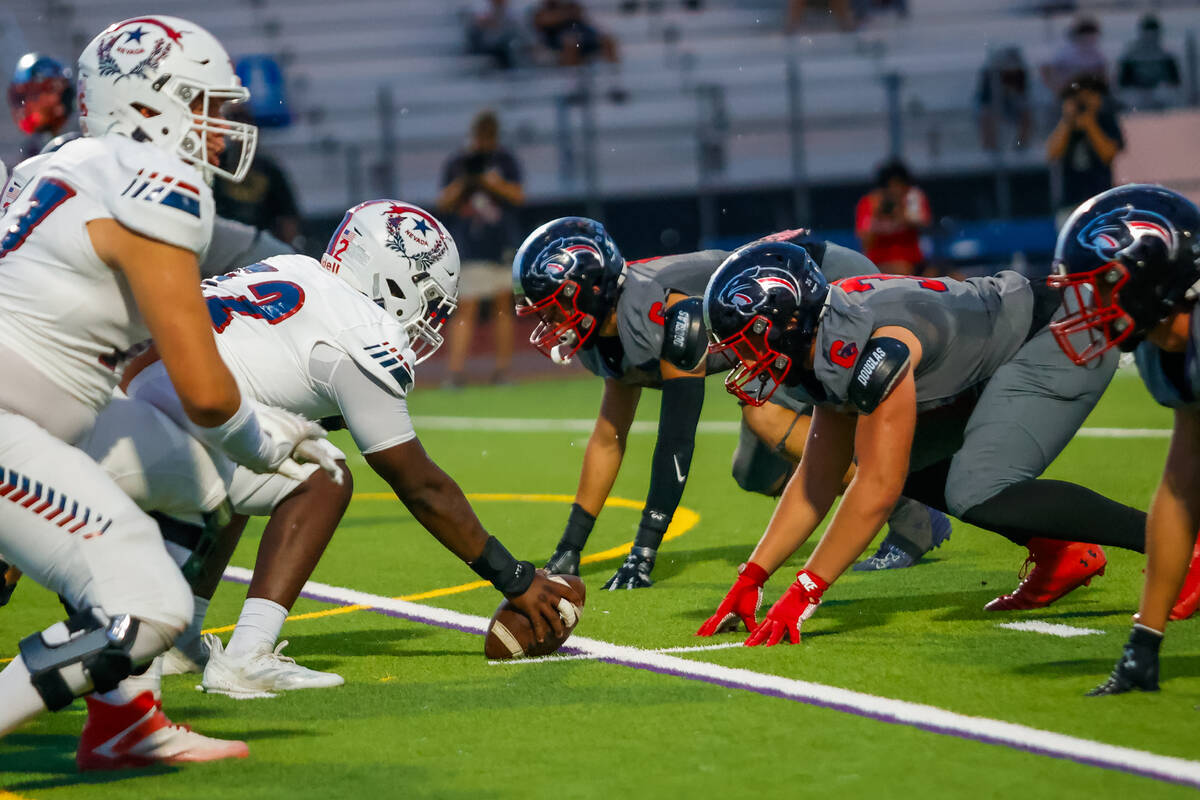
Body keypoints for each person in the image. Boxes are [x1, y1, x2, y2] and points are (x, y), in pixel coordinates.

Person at [69, 199, 576, 766]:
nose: (428, 317)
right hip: (150, 434)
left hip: (101, 412)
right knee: (321, 473)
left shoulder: (290, 270)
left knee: (257, 447)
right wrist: (514, 577)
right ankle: (247, 657)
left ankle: (183, 636)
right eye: (428, 296)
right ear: (390, 275)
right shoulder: (360, 327)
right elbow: (419, 484)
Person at [0, 14, 331, 760]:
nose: (222, 128)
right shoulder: (156, 182)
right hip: (12, 420)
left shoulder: (65, 161)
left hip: (52, 415)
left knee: (203, 488)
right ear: (150, 105)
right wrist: (265, 434)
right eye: (207, 106)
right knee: (152, 602)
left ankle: (126, 718)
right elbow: (206, 390)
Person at [694, 240, 1158, 645]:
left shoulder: (871, 344)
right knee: (886, 452)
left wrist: (805, 590)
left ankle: (1176, 543)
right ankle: (1061, 553)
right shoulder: (824, 340)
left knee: (976, 488)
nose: (741, 359)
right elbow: (818, 477)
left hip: (1054, 333)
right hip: (990, 360)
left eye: (745, 342)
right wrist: (752, 577)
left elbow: (878, 488)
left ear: (785, 323)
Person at [514, 220, 950, 590]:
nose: (547, 324)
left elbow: (676, 438)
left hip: (818, 291)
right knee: (755, 471)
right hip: (771, 335)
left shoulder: (664, 308)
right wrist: (568, 550)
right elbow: (609, 440)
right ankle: (879, 507)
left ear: (589, 290)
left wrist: (643, 550)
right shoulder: (606, 330)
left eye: (552, 309)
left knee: (766, 414)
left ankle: (911, 514)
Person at [1046, 184, 1200, 694]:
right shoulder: (1169, 349)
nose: (1092, 302)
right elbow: (1180, 491)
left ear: (1150, 274)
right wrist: (1144, 642)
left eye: (1103, 283)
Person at [437, 110, 524, 386]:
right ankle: (456, 371)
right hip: (470, 244)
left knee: (502, 305)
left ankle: (502, 371)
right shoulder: (460, 162)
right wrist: (467, 180)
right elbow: (444, 201)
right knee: (467, 306)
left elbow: (518, 196)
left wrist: (490, 182)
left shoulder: (504, 160)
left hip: (500, 242)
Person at [211, 107, 302, 248]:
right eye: (238, 128)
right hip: (222, 237)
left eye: (247, 127)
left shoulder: (269, 169)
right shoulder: (216, 163)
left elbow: (287, 215)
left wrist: (284, 249)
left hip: (258, 240)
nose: (242, 137)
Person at [1046, 76, 1124, 227]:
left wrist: (1090, 124)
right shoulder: (1066, 125)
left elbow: (1108, 153)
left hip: (1101, 201)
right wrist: (1067, 121)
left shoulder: (1106, 121)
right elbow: (1052, 153)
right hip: (1070, 203)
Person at [854, 160, 932, 275]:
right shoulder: (870, 202)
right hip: (879, 263)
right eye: (891, 186)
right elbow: (865, 242)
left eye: (900, 185)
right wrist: (877, 215)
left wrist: (901, 211)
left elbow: (924, 222)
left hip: (913, 262)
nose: (895, 190)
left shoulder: (913, 198)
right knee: (898, 269)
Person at [6, 53, 72, 162]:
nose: (25, 106)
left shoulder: (75, 148)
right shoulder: (25, 151)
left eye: (34, 95)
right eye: (19, 98)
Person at [1117, 15, 1182, 111]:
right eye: (1147, 32)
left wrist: (1164, 86)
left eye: (1153, 32)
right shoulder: (1131, 54)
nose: (1150, 36)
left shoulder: (1167, 54)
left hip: (1159, 92)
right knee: (1131, 100)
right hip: (1137, 93)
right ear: (1141, 33)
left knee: (1166, 96)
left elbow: (1175, 81)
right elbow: (1123, 82)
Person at [533, 0, 621, 67]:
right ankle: (571, 78)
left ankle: (613, 74)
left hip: (583, 37)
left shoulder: (573, 7)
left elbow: (582, 18)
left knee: (607, 40)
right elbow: (543, 21)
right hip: (558, 43)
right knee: (572, 43)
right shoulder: (541, 11)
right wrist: (567, 14)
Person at [976, 46, 1032, 151]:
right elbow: (984, 105)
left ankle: (1021, 147)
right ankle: (990, 149)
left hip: (1010, 103)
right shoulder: (989, 77)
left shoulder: (1020, 74)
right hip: (992, 105)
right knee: (985, 116)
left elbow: (1024, 100)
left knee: (1026, 114)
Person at [1040, 16, 1107, 96]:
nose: (1092, 40)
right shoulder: (1065, 52)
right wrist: (1057, 88)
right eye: (1089, 37)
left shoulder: (1096, 53)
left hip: (1089, 89)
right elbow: (1045, 69)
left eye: (1094, 37)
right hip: (1070, 88)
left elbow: (1102, 73)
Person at [466, 0, 531, 70]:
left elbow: (520, 31)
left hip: (504, 46)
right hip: (484, 44)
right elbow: (479, 24)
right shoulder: (481, 8)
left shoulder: (513, 13)